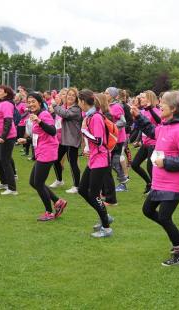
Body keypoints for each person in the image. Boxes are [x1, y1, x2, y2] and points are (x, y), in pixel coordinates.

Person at [131, 91, 179, 266]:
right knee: (148, 210)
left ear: (173, 109)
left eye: (163, 104)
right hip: (159, 182)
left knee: (165, 217)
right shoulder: (165, 125)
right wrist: (138, 117)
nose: (160, 105)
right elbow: (153, 131)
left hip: (173, 184)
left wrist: (166, 161)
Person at [18, 92, 67, 221]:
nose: (30, 104)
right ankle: (58, 201)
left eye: (33, 101)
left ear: (40, 102)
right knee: (33, 182)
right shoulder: (34, 115)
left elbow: (52, 131)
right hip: (41, 151)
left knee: (38, 183)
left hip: (48, 152)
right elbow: (39, 136)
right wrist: (26, 141)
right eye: (28, 102)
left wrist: (39, 121)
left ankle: (49, 212)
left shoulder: (44, 114)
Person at [78, 90, 114, 237]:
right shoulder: (90, 116)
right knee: (82, 190)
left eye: (78, 101)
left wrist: (83, 132)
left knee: (93, 194)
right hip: (94, 159)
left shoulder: (96, 117)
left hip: (101, 159)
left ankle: (106, 227)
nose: (78, 104)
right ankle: (105, 216)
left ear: (83, 101)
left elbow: (99, 141)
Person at [50, 87, 82, 194]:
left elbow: (65, 114)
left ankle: (77, 186)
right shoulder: (67, 107)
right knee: (55, 158)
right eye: (69, 94)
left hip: (72, 140)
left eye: (73, 95)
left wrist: (54, 105)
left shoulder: (76, 109)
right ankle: (59, 180)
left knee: (72, 163)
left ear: (77, 98)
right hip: (64, 140)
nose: (70, 97)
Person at [131, 91, 161, 194]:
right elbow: (140, 127)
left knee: (151, 168)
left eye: (143, 98)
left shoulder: (156, 110)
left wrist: (151, 109)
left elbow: (160, 122)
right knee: (134, 165)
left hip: (155, 143)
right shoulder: (143, 111)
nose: (141, 99)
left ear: (149, 99)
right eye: (141, 98)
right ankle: (149, 183)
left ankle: (156, 189)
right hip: (145, 143)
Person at [0, 85, 18, 195]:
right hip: (0, 136)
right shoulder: (0, 103)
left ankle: (12, 188)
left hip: (7, 137)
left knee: (5, 161)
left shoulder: (7, 104)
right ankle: (4, 182)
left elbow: (8, 121)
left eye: (0, 90)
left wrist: (3, 137)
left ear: (6, 93)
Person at [105, 87, 128, 192]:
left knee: (115, 162)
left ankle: (123, 183)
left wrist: (112, 126)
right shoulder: (105, 106)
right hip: (110, 139)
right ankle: (107, 184)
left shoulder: (117, 106)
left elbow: (123, 121)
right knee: (108, 162)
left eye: (107, 93)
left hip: (118, 139)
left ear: (112, 95)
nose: (105, 95)